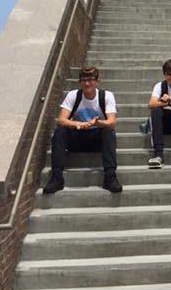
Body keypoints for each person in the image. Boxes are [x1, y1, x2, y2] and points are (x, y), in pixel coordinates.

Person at [44, 66, 121, 194]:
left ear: (97, 81)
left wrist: (98, 123)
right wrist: (78, 124)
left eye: (90, 79)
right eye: (84, 80)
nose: (87, 83)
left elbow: (112, 122)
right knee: (60, 131)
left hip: (97, 139)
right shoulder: (73, 95)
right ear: (80, 82)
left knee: (108, 131)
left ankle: (110, 177)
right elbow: (61, 120)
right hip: (78, 137)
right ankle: (56, 177)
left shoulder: (106, 96)